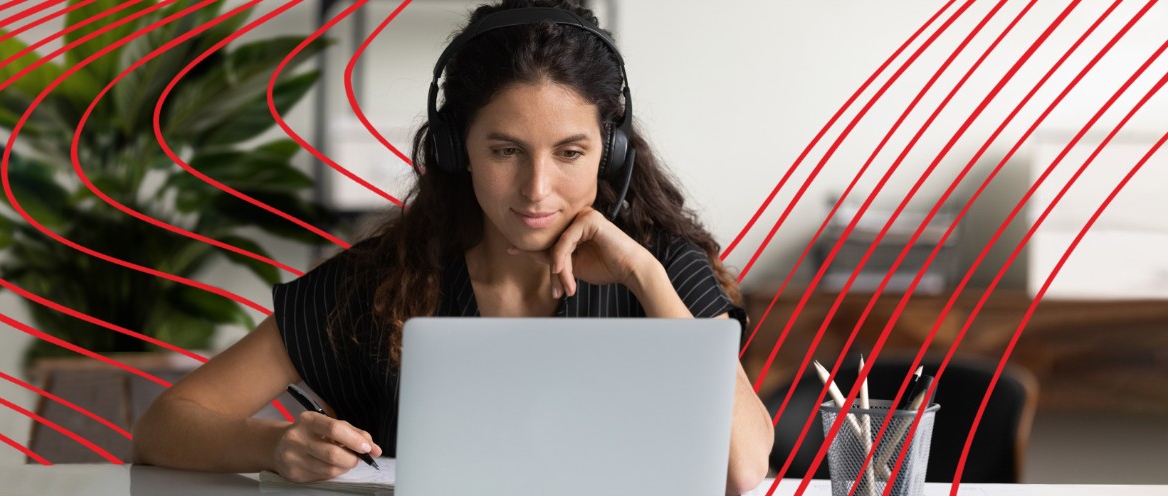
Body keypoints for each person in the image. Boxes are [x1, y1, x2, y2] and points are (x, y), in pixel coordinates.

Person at [132, 1, 774, 493]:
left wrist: (642, 273)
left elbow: (745, 469)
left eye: (571, 152)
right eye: (505, 151)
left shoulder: (658, 267)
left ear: (611, 152)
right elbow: (163, 426)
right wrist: (270, 447)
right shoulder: (384, 280)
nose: (537, 189)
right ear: (453, 148)